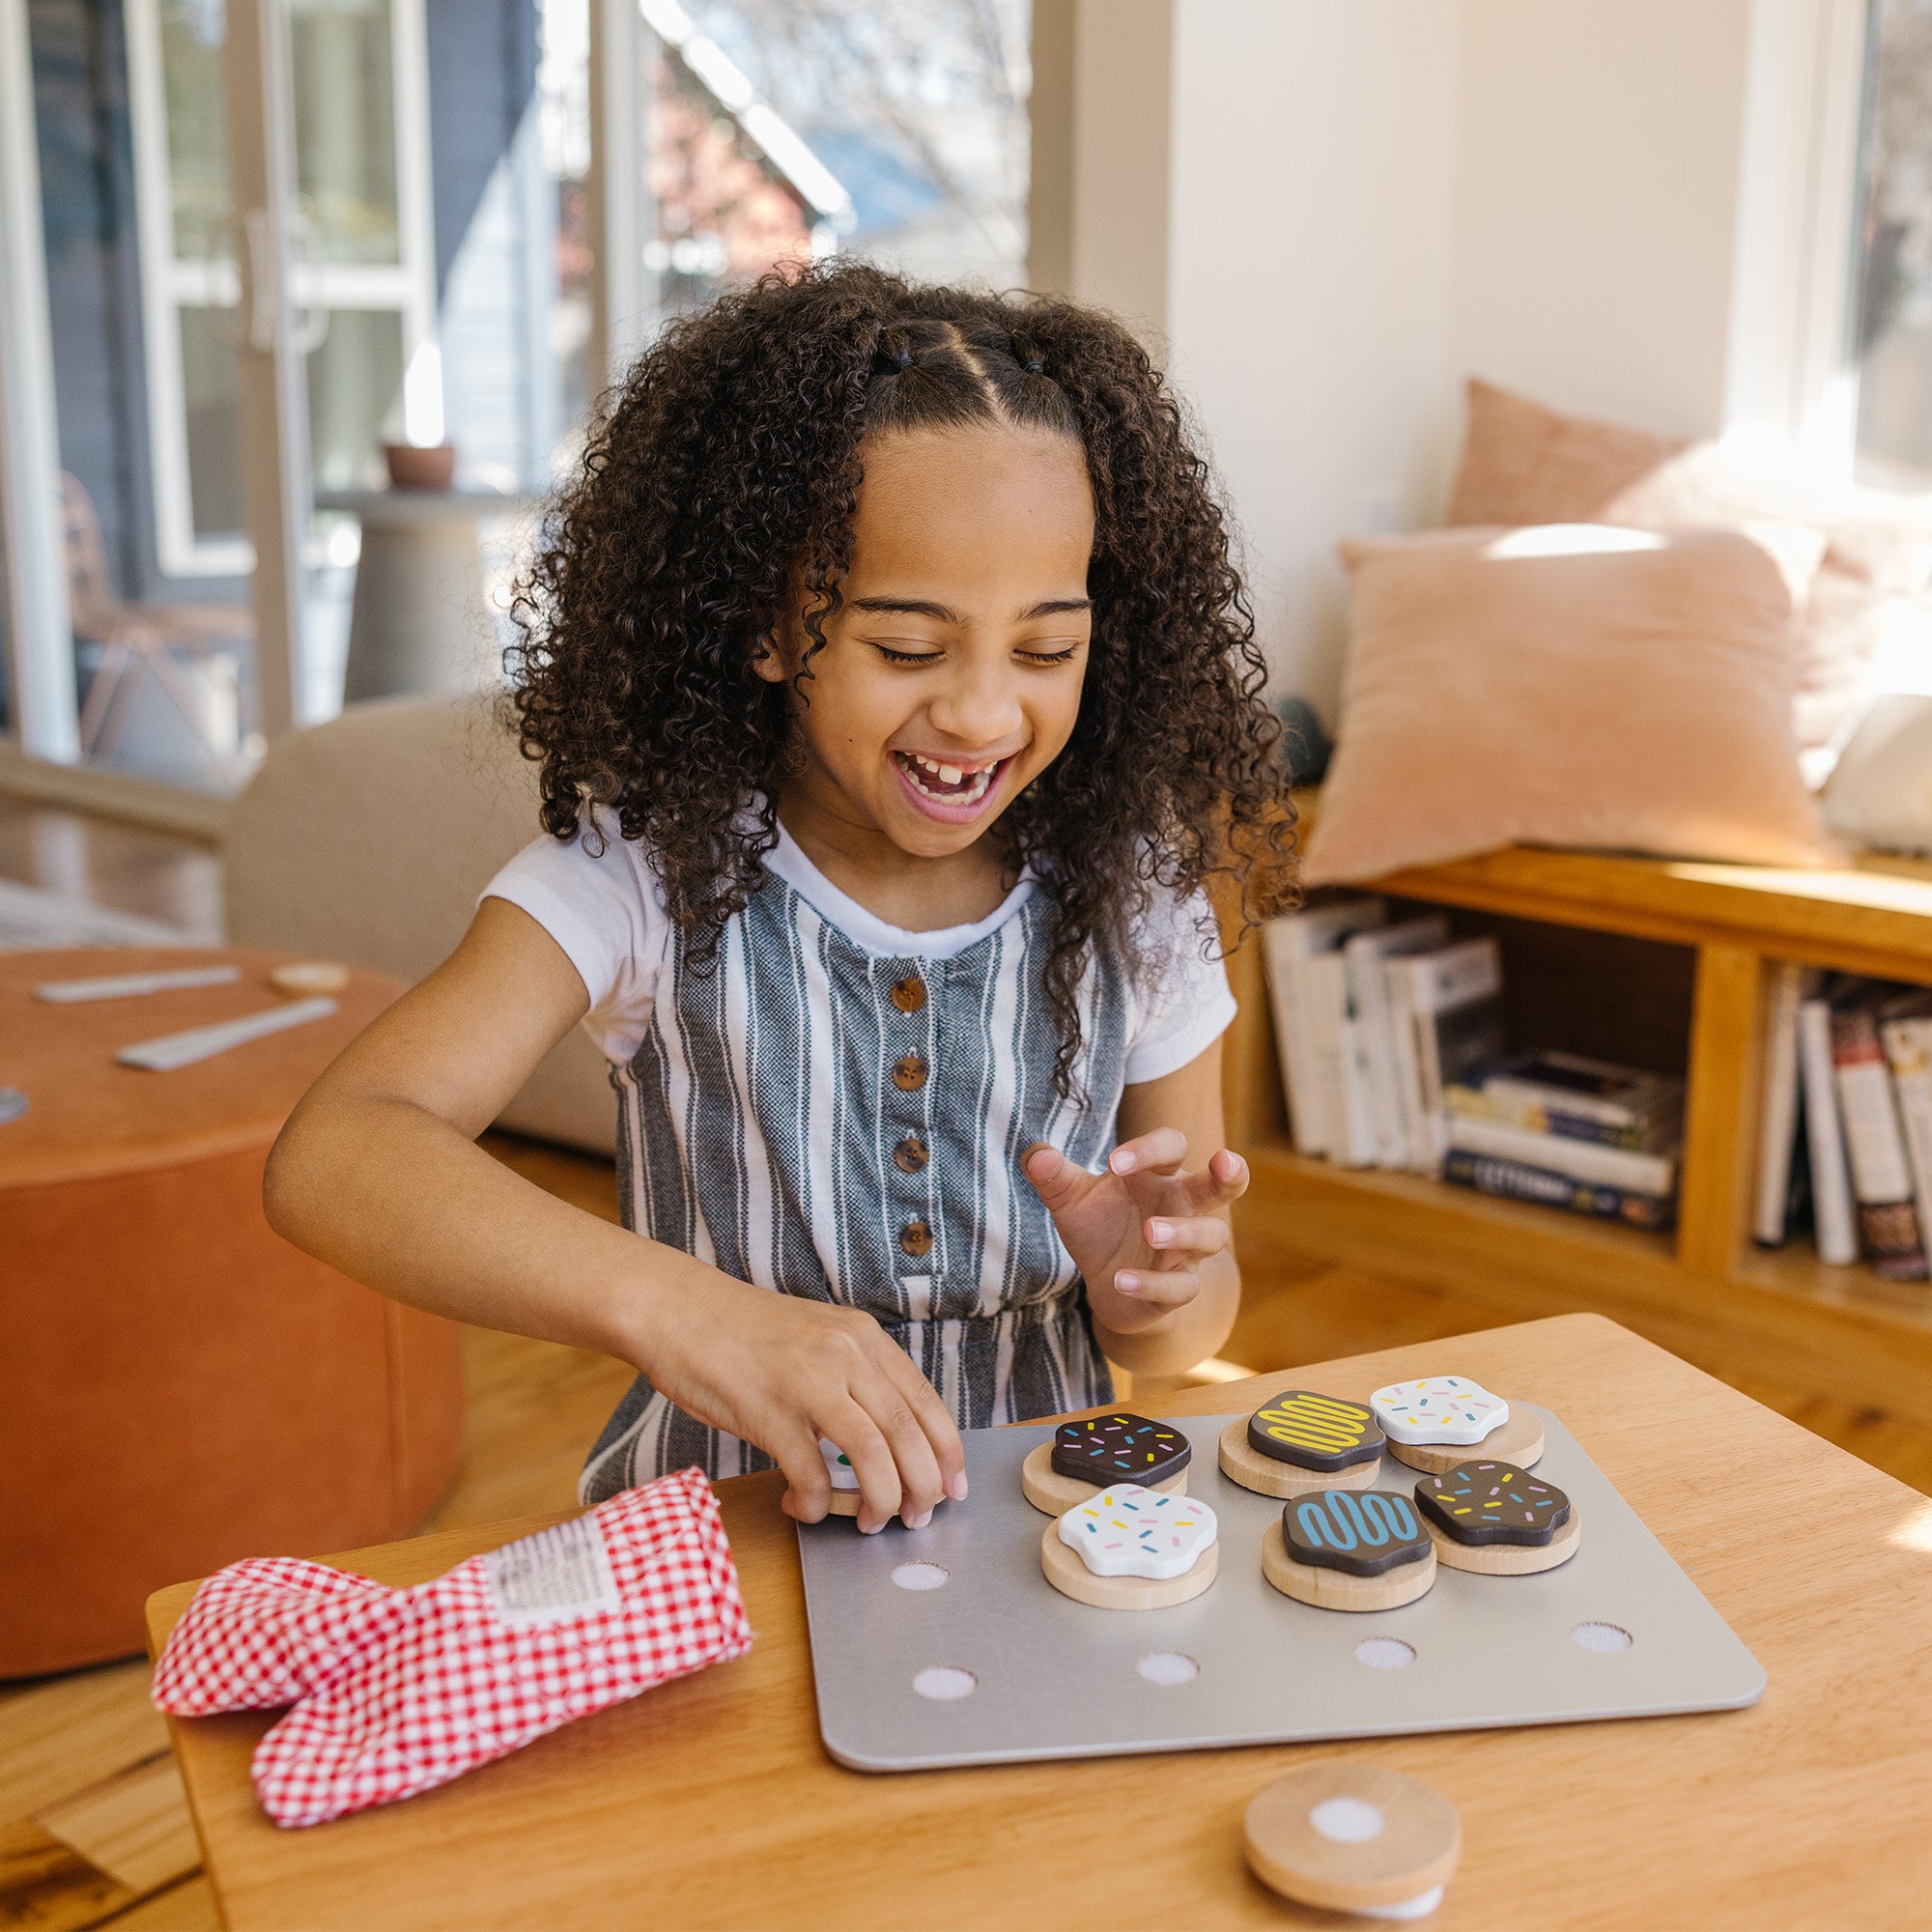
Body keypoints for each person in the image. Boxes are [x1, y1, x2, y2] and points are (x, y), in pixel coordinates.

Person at [266, 262, 1293, 1535]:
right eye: (906, 646)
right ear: (765, 625)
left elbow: (1182, 1335)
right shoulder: (639, 877)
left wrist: (1151, 1289)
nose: (980, 711)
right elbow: (338, 1153)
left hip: (1050, 1538)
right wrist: (690, 1313)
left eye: (1046, 648)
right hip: (720, 1551)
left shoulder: (1135, 897)